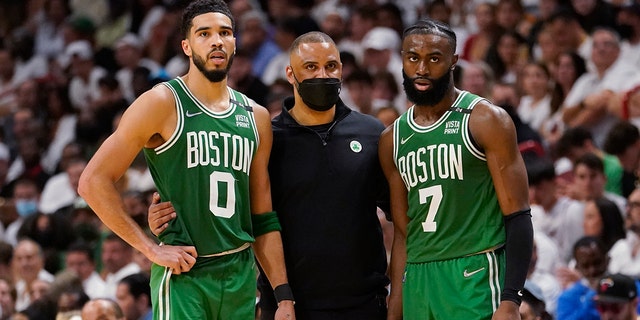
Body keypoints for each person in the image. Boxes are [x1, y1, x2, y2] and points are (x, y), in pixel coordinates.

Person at [149, 31, 390, 319]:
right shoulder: (267, 139)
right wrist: (171, 216)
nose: (323, 75)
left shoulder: (372, 133)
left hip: (364, 302)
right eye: (311, 67)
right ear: (290, 73)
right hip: (289, 305)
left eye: (331, 66)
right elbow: (233, 208)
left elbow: (402, 216)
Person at [76, 1, 294, 319]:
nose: (217, 40)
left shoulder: (256, 116)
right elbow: (92, 182)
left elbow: (262, 217)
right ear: (187, 46)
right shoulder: (161, 102)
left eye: (225, 33)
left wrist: (283, 294)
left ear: (235, 43)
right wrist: (150, 247)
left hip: (240, 274)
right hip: (186, 273)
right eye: (204, 33)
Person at [378, 18, 533, 319]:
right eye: (413, 58)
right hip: (419, 280)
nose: (421, 69)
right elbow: (402, 231)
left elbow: (518, 215)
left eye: (434, 59)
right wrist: (395, 302)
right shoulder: (392, 139)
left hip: (473, 273)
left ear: (453, 62)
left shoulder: (485, 119)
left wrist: (511, 299)